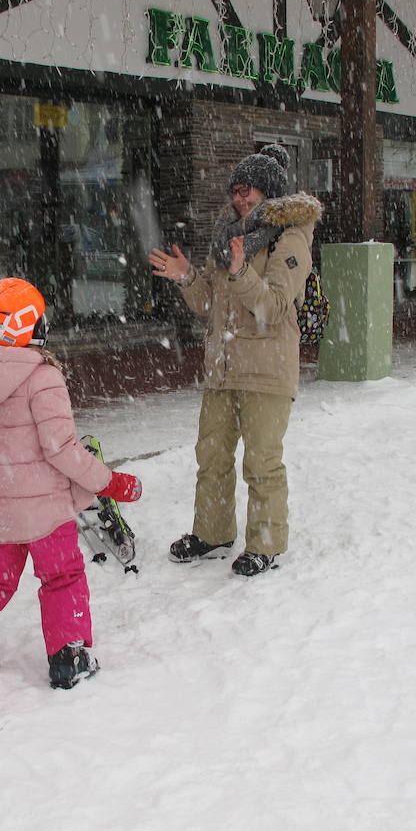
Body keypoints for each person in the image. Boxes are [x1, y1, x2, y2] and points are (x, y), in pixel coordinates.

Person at [0, 277, 142, 691]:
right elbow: (61, 449)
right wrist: (109, 482)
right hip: (45, 509)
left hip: (1, 502)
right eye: (37, 316)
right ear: (20, 325)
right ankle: (69, 659)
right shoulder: (41, 377)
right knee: (61, 576)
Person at [148, 149, 320, 577]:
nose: (240, 198)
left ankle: (265, 544)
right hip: (223, 366)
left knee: (261, 462)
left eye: (249, 190)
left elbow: (274, 307)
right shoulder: (228, 233)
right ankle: (212, 533)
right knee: (212, 456)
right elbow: (210, 302)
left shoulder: (289, 236)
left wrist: (242, 272)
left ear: (270, 192)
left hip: (267, 369)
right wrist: (186, 276)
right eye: (236, 190)